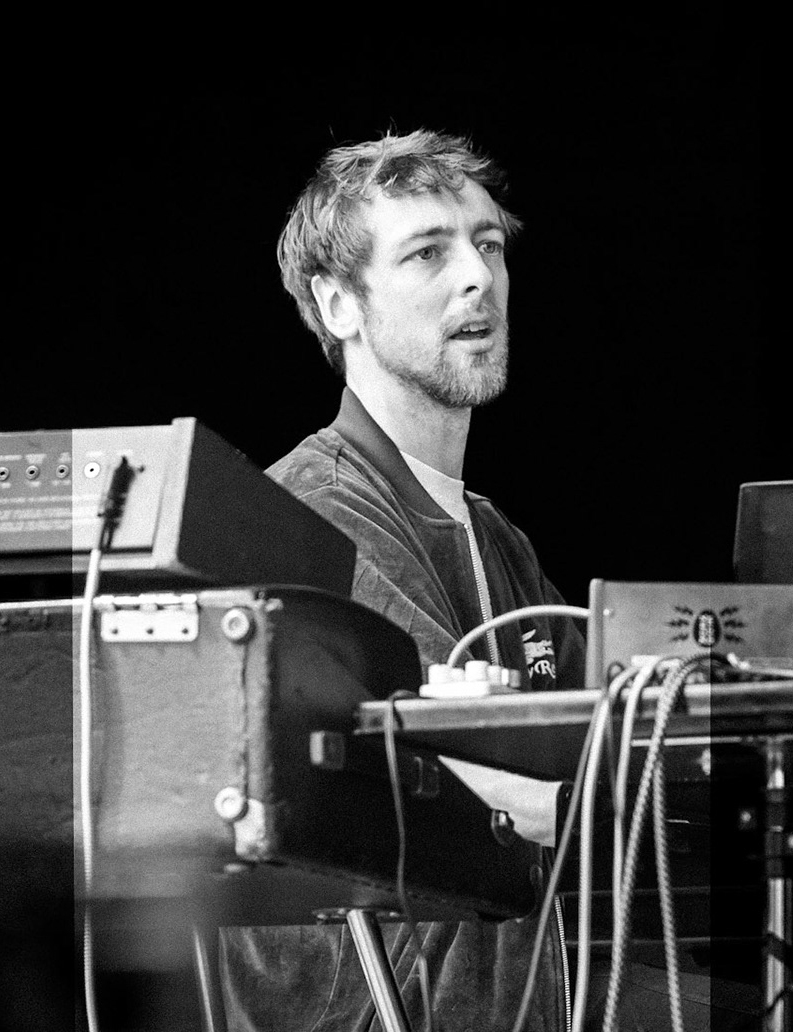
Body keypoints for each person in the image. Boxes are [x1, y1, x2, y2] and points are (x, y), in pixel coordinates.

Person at [221, 128, 586, 1032]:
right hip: (388, 997)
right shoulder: (315, 508)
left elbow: (584, 737)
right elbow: (466, 776)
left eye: (489, 244)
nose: (479, 277)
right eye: (429, 252)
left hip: (508, 974)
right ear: (338, 303)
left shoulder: (495, 534)